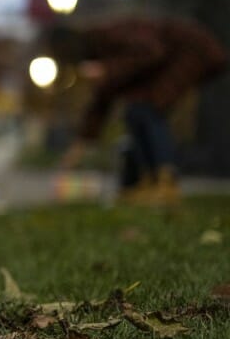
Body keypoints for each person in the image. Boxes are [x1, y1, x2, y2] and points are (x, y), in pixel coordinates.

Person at [52, 16, 227, 203]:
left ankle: (165, 180)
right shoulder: (98, 55)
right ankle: (145, 181)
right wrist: (82, 142)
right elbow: (103, 99)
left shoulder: (108, 36)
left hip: (192, 51)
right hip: (173, 60)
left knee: (145, 109)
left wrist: (107, 69)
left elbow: (152, 51)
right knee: (136, 112)